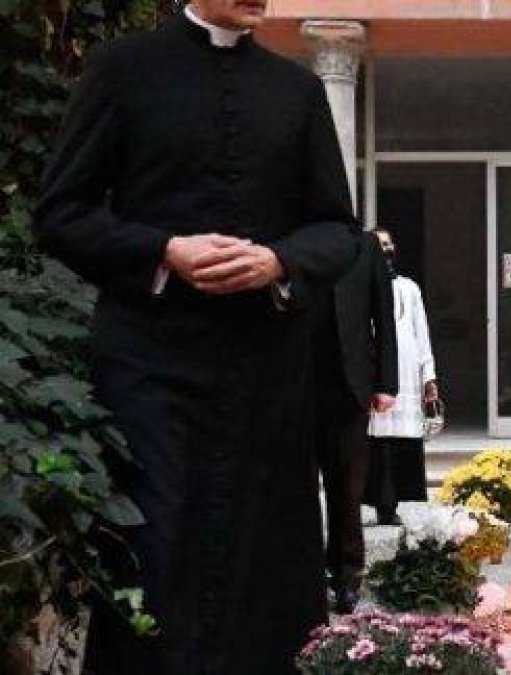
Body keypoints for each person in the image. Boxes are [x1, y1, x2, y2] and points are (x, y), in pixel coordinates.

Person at [32, 2, 359, 674]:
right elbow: (61, 211)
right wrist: (164, 251)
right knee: (156, 550)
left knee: (267, 558)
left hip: (266, 377)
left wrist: (279, 261)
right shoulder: (123, 70)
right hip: (147, 368)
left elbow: (336, 228)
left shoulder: (296, 90)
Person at [311, 228, 398, 613]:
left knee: (346, 486)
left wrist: (386, 383)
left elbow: (384, 319)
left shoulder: (365, 248)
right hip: (300, 382)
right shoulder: (294, 242)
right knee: (296, 488)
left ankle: (347, 576)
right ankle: (305, 574)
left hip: (352, 384)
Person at [364, 230, 439, 523]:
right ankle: (381, 503)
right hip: (376, 374)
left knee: (402, 441)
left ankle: (395, 503)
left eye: (388, 244)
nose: (385, 249)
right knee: (378, 441)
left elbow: (422, 331)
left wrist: (428, 376)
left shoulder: (410, 288)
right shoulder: (362, 287)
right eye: (378, 245)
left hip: (408, 373)